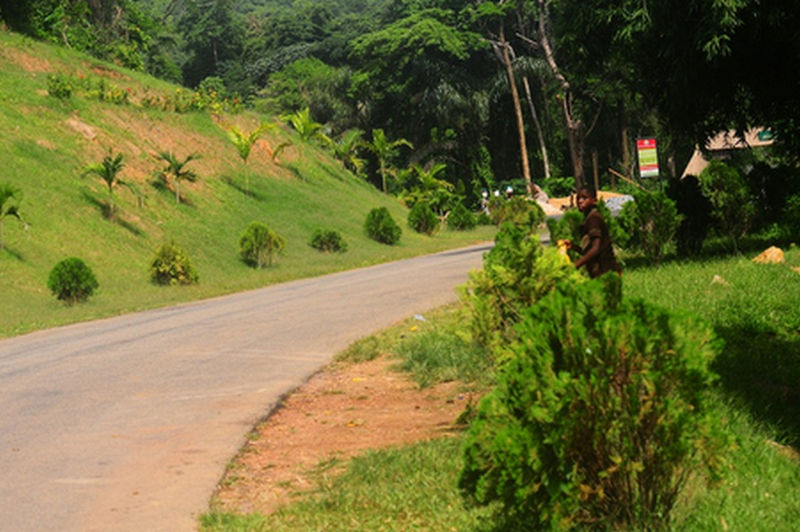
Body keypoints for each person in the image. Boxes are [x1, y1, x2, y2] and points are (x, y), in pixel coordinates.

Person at [568, 187, 621, 278]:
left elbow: (595, 249)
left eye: (584, 198)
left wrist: (576, 264)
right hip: (601, 272)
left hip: (606, 271)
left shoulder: (593, 219)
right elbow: (590, 251)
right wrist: (573, 247)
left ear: (594, 200)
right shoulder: (589, 218)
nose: (580, 201)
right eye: (578, 198)